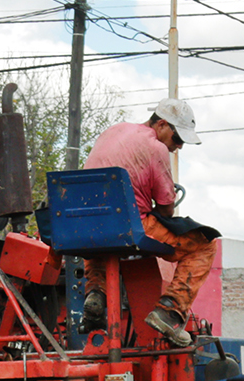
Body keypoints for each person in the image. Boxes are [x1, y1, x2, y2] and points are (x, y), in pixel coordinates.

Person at [78, 97, 221, 349]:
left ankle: (96, 294)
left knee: (101, 235)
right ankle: (169, 311)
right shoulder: (155, 147)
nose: (178, 147)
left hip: (84, 225)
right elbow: (166, 208)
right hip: (128, 226)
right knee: (205, 245)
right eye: (177, 140)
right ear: (163, 124)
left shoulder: (114, 130)